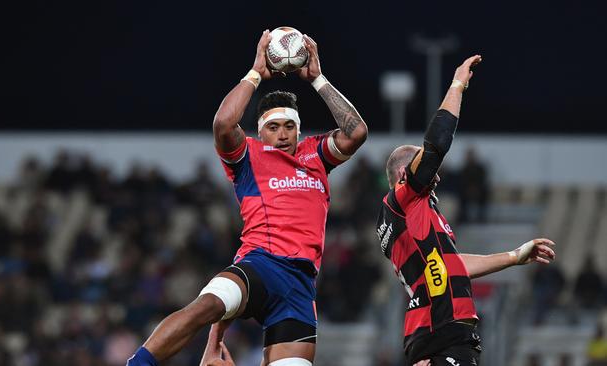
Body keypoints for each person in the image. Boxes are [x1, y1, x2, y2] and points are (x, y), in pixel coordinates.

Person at [127, 29, 368, 366]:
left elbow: (356, 132)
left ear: (299, 129)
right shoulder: (248, 156)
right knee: (205, 306)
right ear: (260, 131)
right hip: (260, 264)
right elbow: (224, 123)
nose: (282, 134)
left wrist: (318, 80)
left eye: (289, 126)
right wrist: (256, 73)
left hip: (300, 288)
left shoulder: (316, 155)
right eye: (273, 127)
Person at [375, 55, 556, 366]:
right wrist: (457, 85)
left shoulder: (413, 217)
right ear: (406, 174)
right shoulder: (404, 200)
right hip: (440, 325)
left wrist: (514, 257)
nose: (438, 175)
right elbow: (436, 145)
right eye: (428, 170)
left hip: (442, 330)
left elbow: (453, 266)